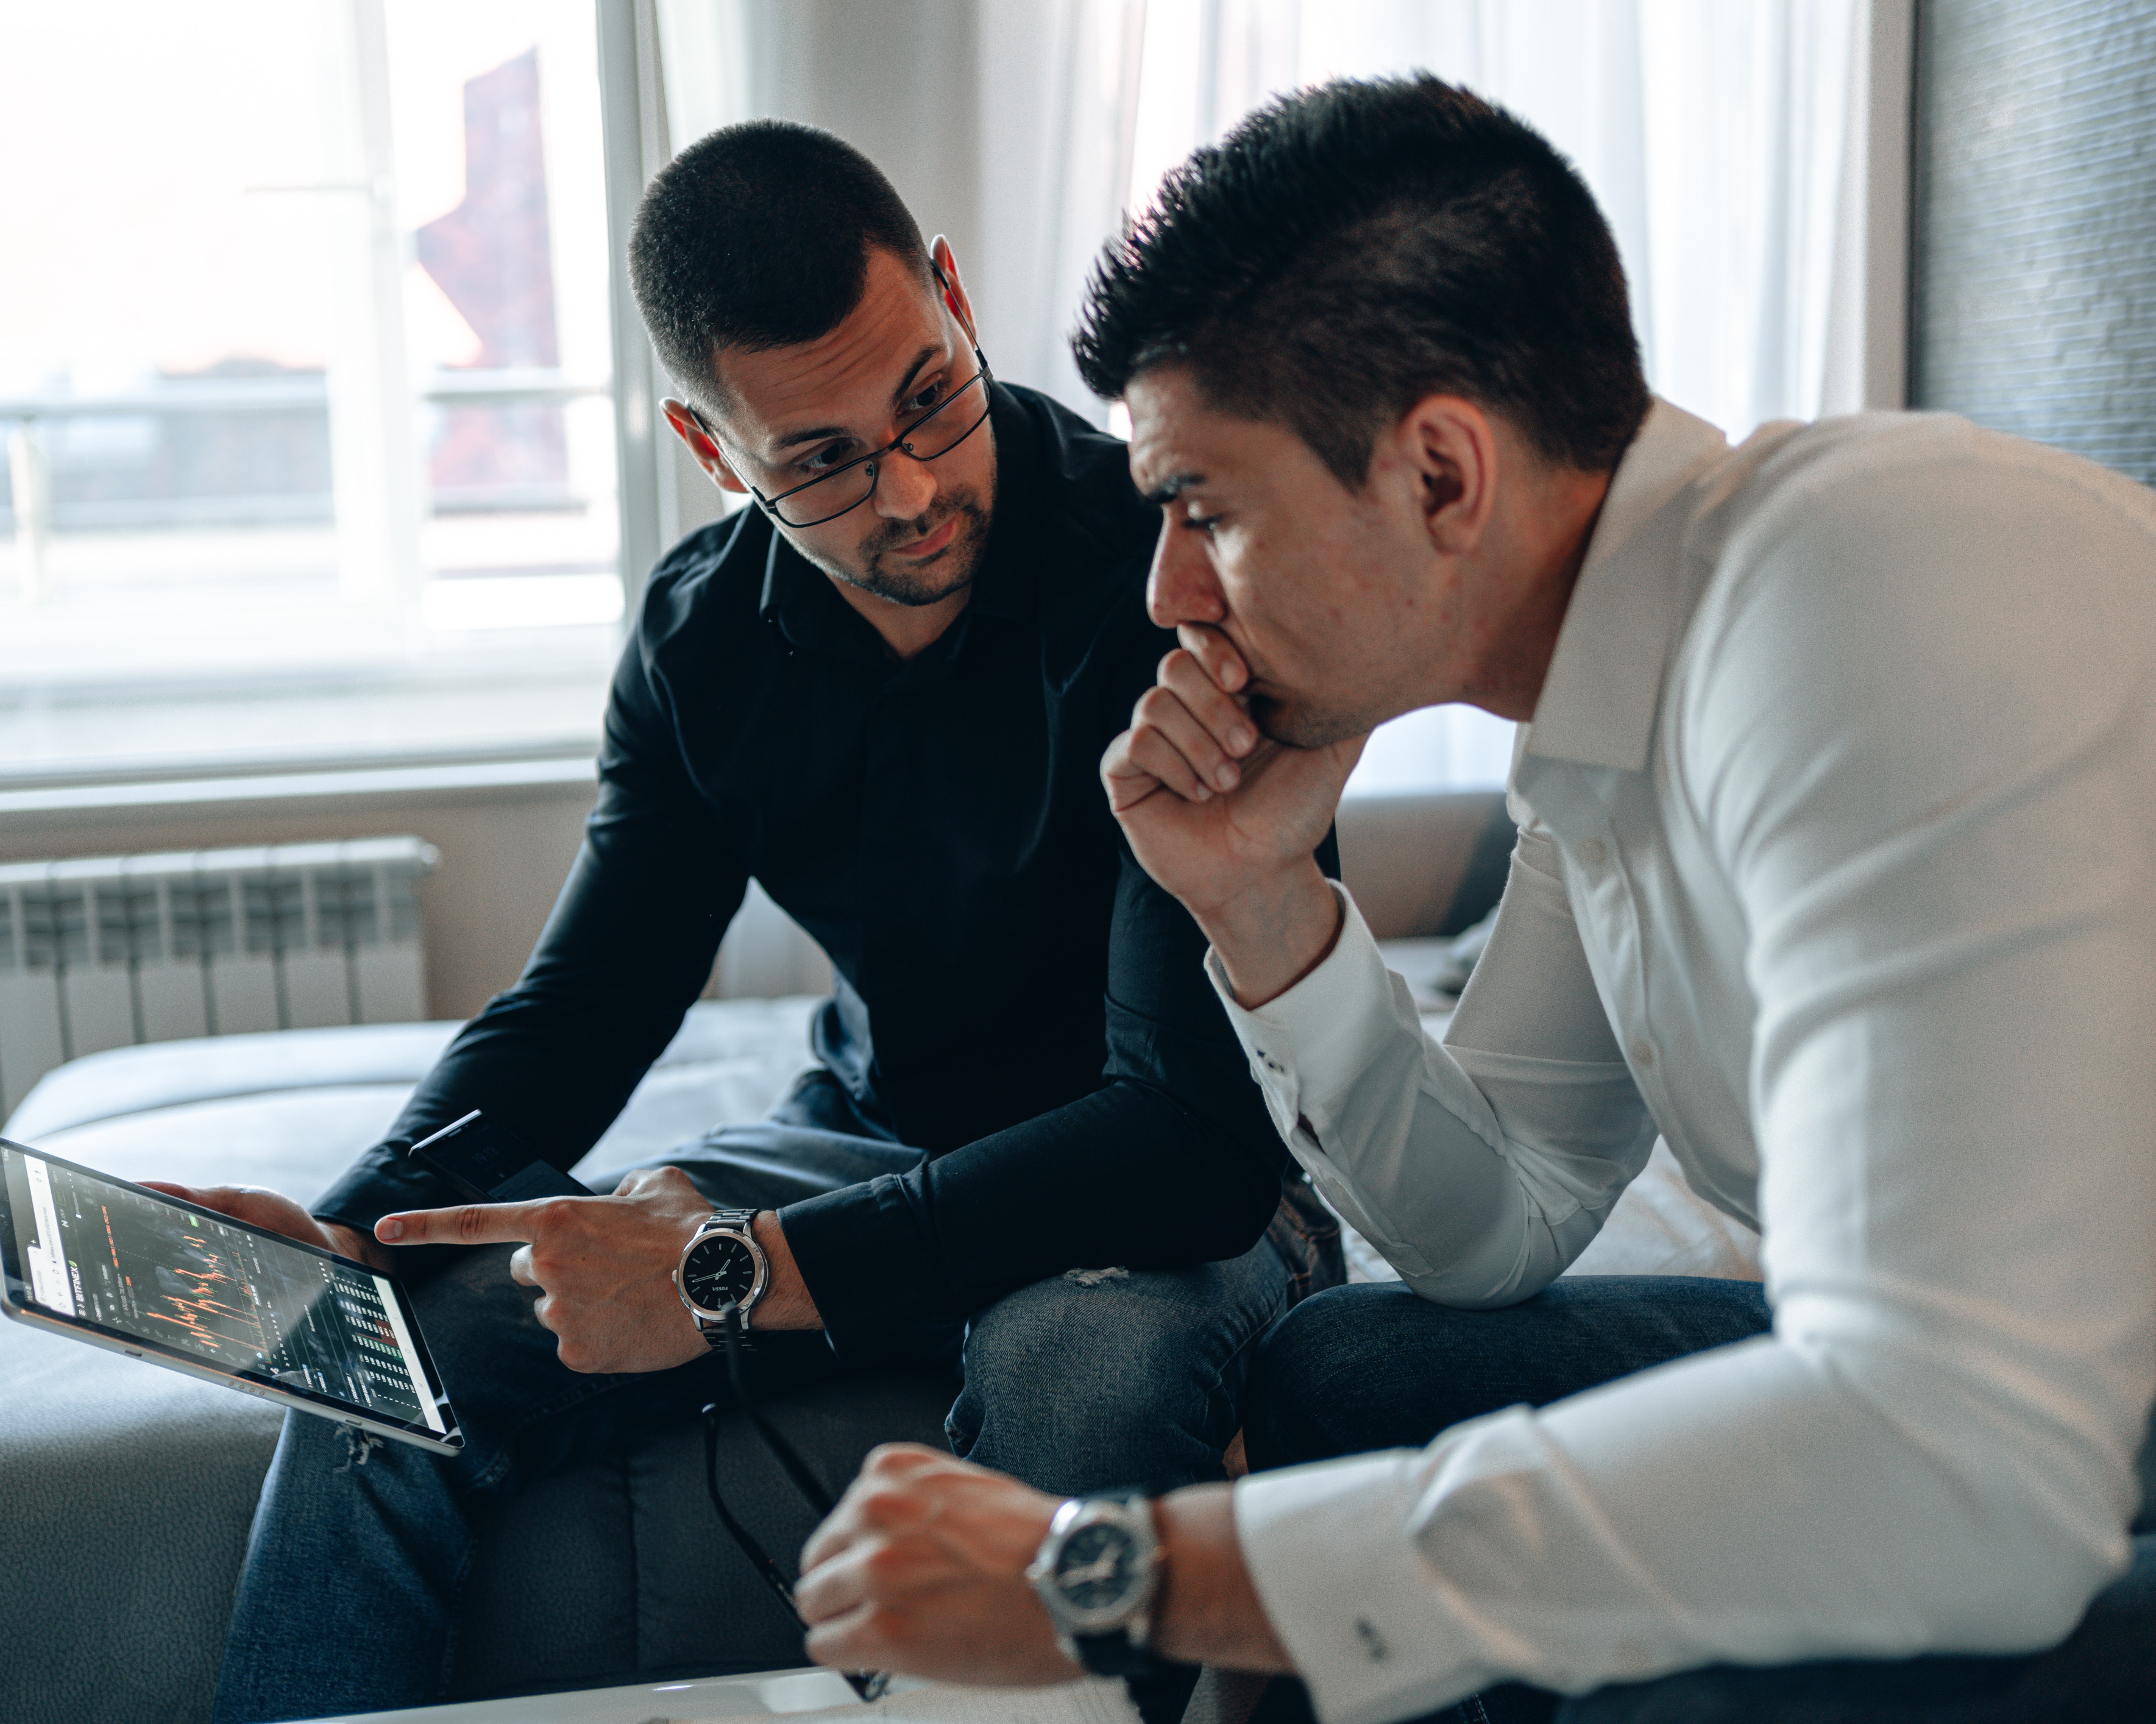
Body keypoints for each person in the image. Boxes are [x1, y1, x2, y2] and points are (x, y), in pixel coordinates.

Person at [789, 76, 2156, 1724]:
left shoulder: (1860, 592)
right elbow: (1489, 1230)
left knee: (1661, 1696)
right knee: (1351, 1376)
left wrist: (1123, 1576)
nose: (1163, 595)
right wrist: (1260, 904)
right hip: (2015, 1399)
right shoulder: (1610, 728)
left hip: (2035, 1435)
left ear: (1440, 472)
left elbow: (1962, 1462)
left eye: (1204, 510)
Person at [160, 118, 1344, 1724]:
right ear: (714, 452)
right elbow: (586, 1004)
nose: (914, 488)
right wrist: (357, 1224)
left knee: (1082, 1375)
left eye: (929, 394)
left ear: (949, 295)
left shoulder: (1170, 568)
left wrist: (740, 1266)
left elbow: (1179, 1141)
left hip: (1166, 1191)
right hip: (875, 1146)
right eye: (821, 459)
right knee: (385, 1361)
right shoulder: (701, 637)